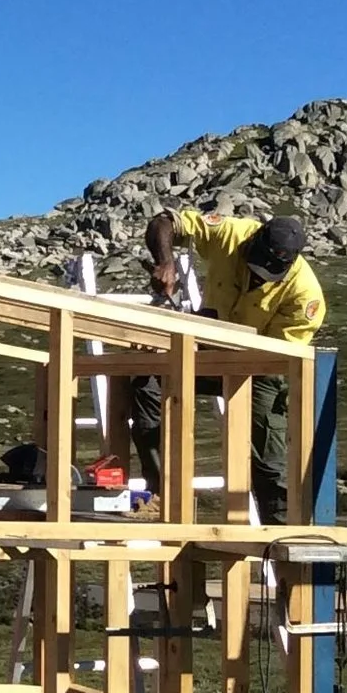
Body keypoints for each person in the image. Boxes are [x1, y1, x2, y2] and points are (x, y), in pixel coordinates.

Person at [121, 210, 325, 524]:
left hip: (260, 367)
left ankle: (280, 530)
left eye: (267, 274)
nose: (257, 276)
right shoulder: (232, 234)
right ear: (254, 240)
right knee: (145, 378)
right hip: (205, 349)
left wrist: (217, 338)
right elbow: (164, 222)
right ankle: (161, 494)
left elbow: (277, 356)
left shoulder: (305, 296)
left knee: (268, 456)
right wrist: (166, 262)